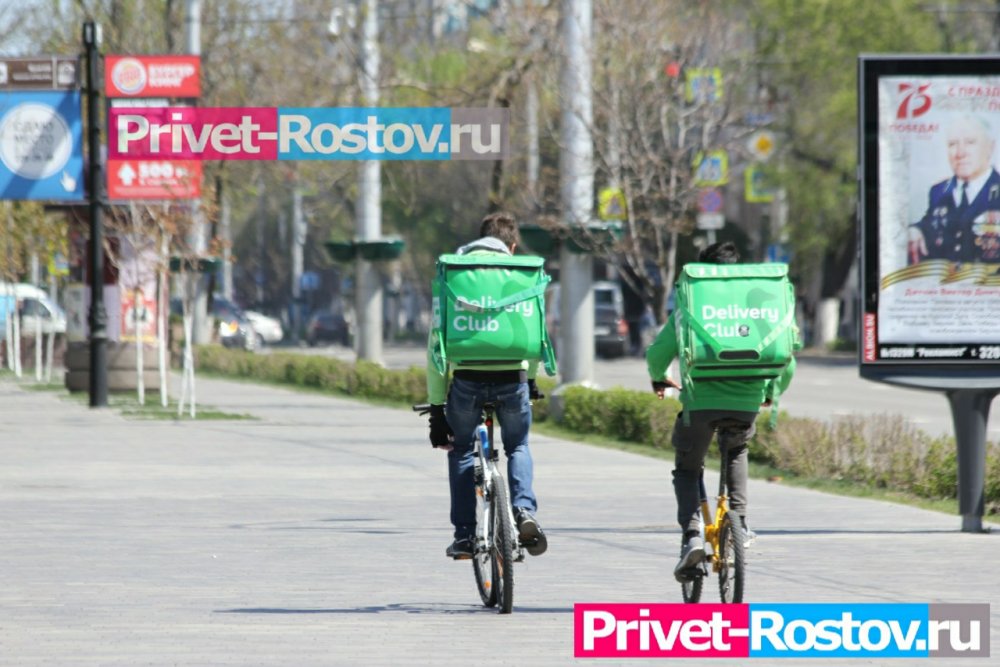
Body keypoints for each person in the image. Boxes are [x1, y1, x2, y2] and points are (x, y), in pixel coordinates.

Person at [645, 241, 796, 581]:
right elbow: (788, 360)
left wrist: (659, 377)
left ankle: (692, 535)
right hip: (746, 404)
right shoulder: (755, 305)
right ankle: (739, 522)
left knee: (688, 468)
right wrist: (770, 392)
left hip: (699, 404)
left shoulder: (691, 304)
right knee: (737, 449)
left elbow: (658, 353)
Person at [425, 211, 548, 560]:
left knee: (462, 450)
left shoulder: (455, 273)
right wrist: (531, 379)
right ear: (512, 246)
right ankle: (524, 511)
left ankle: (465, 535)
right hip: (513, 379)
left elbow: (436, 347)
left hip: (467, 380)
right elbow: (534, 336)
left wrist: (436, 409)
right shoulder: (522, 273)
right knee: (518, 445)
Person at [908, 114, 1000, 264]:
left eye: (970, 142)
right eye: (952, 144)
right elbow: (930, 224)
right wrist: (916, 230)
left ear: (990, 147)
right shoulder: (938, 191)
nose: (960, 153)